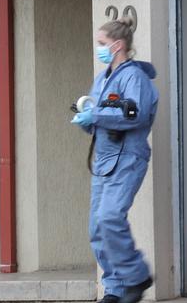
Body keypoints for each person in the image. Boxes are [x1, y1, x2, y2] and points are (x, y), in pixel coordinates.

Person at [71, 17, 158, 303]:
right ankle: (116, 288)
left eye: (102, 44)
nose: (99, 49)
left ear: (118, 45)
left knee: (110, 217)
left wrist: (95, 116)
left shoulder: (134, 77)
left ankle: (136, 276)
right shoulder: (104, 77)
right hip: (105, 159)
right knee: (97, 226)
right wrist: (86, 120)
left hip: (128, 157)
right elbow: (101, 114)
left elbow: (135, 114)